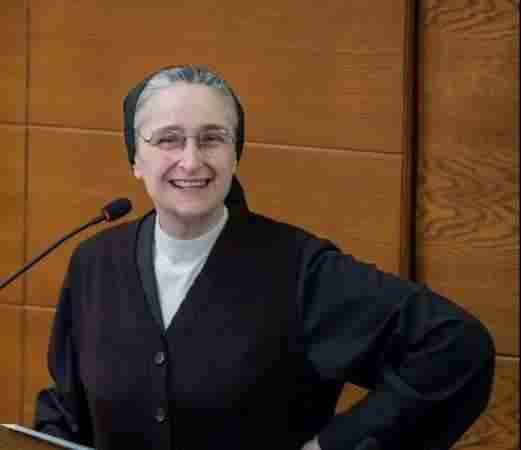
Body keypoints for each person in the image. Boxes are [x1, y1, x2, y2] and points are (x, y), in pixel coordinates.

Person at [34, 65, 495, 450]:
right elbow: (68, 408)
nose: (191, 161)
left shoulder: (300, 270)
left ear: (235, 154)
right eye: (169, 139)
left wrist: (334, 446)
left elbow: (456, 347)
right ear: (135, 158)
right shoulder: (95, 262)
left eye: (212, 138)